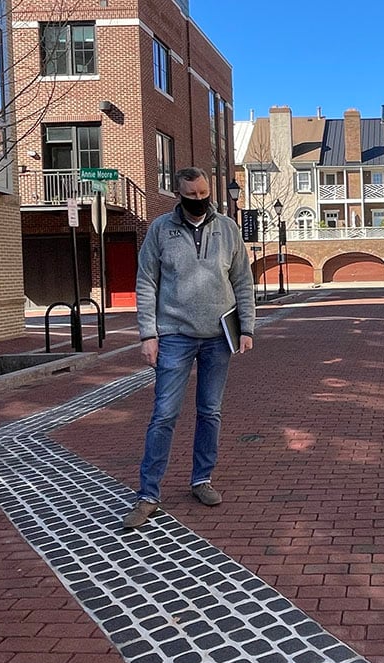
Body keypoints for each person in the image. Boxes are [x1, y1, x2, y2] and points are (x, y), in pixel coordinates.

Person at [122, 167, 256, 529]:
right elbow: (146, 282)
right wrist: (147, 335)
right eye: (191, 195)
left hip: (218, 337)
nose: (199, 201)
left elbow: (243, 281)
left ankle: (202, 479)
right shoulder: (160, 230)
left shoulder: (227, 229)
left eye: (203, 194)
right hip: (174, 336)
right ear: (177, 193)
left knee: (210, 411)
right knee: (164, 414)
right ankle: (148, 494)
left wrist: (248, 328)